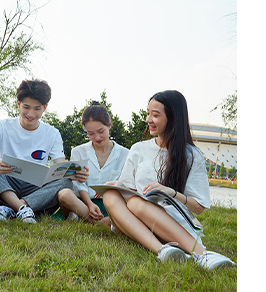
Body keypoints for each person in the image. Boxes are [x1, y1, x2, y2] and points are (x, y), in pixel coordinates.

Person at [102, 90, 237, 270]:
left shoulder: (191, 155)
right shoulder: (138, 149)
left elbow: (199, 207)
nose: (148, 119)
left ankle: (202, 254)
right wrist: (116, 186)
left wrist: (170, 193)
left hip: (170, 223)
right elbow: (129, 187)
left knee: (136, 204)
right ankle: (163, 251)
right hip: (136, 222)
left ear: (173, 118)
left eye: (155, 115)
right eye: (148, 113)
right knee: (111, 195)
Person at [0, 79, 89, 224]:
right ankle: (22, 208)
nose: (31, 114)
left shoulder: (52, 133)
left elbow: (60, 166)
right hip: (5, 182)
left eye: (37, 109)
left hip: (35, 188)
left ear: (45, 107)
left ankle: (12, 207)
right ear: (18, 104)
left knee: (66, 181)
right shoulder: (2, 125)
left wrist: (75, 173)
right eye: (26, 107)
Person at [56, 101, 129, 226]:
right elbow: (79, 184)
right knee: (64, 194)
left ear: (109, 125)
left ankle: (97, 222)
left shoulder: (125, 154)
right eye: (91, 133)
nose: (97, 137)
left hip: (112, 204)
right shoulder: (78, 151)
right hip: (83, 204)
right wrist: (89, 204)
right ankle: (100, 223)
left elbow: (125, 185)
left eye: (101, 131)